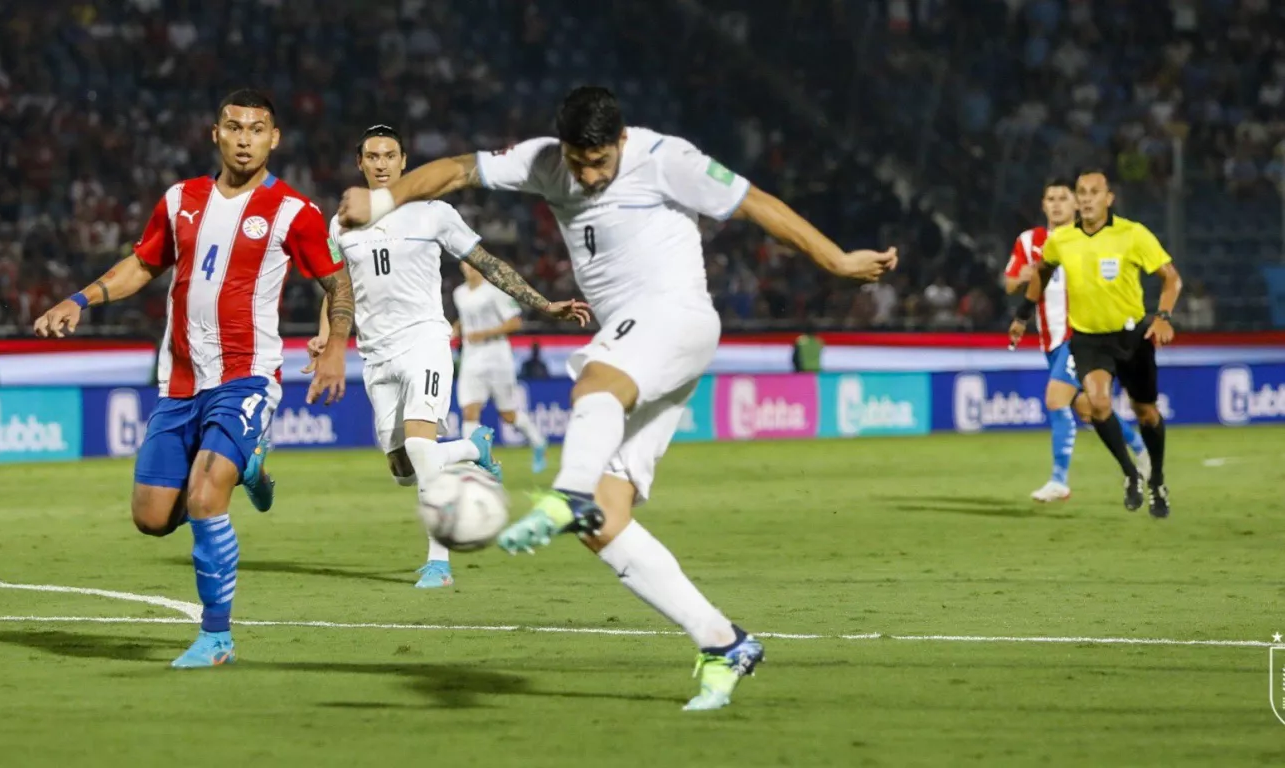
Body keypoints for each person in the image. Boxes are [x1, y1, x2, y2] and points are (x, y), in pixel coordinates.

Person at [337, 86, 896, 710]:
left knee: (596, 381)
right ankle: (722, 641)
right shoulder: (543, 160)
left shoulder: (667, 158)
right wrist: (382, 200)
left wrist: (837, 261)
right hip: (641, 343)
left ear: (622, 141)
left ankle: (568, 491)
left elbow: (755, 204)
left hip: (676, 316)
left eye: (599, 162)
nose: (588, 175)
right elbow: (457, 169)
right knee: (605, 520)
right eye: (578, 162)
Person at [34, 90, 354, 666]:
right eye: (234, 127)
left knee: (206, 498)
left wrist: (335, 348)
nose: (244, 139)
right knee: (151, 517)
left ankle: (216, 637)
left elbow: (338, 281)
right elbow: (143, 264)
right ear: (215, 133)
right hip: (179, 382)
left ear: (274, 139)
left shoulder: (294, 211)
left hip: (246, 377)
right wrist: (79, 299)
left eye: (256, 129)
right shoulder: (180, 199)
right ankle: (248, 465)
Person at [309, 124, 588, 589]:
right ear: (360, 163)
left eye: (390, 155)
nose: (381, 164)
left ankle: (439, 564)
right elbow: (337, 288)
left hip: (424, 341)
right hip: (376, 353)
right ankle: (473, 448)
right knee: (402, 468)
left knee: (421, 448)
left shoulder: (433, 213)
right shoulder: (341, 224)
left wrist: (543, 304)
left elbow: (488, 263)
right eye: (372, 156)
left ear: (404, 162)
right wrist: (326, 338)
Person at [1010, 169, 1182, 518]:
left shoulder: (1132, 234)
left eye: (1093, 192)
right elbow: (1042, 271)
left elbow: (1171, 279)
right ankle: (1130, 473)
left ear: (1108, 198)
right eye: (1082, 192)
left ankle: (1157, 480)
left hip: (1131, 336)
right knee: (1097, 405)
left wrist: (1163, 316)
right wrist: (1023, 314)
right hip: (1088, 338)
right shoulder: (1062, 240)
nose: (1087, 199)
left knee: (1146, 413)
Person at [453, 261, 552, 474]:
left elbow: (515, 322)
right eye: (466, 264)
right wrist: (456, 328)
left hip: (497, 357)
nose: (470, 268)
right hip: (471, 358)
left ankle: (538, 442)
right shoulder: (459, 293)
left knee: (508, 415)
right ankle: (474, 465)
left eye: (473, 264)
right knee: (469, 410)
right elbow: (465, 317)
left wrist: (484, 333)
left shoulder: (495, 290)